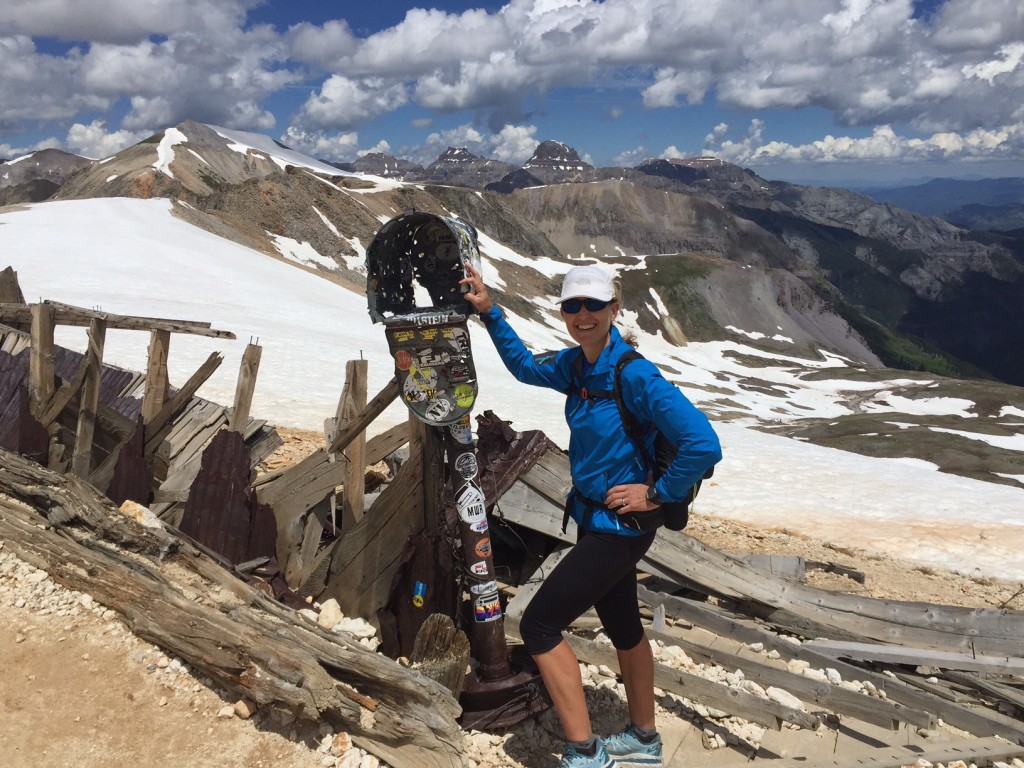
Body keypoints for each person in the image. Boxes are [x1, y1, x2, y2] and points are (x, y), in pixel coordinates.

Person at [460, 262, 722, 768]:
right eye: (572, 306)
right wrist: (490, 312)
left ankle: (585, 752)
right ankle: (644, 739)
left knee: (538, 626)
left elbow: (702, 443)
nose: (583, 315)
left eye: (593, 306)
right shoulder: (576, 365)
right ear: (564, 312)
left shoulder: (635, 374)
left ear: (613, 309)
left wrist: (657, 493)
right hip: (597, 523)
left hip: (620, 529)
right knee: (622, 624)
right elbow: (523, 366)